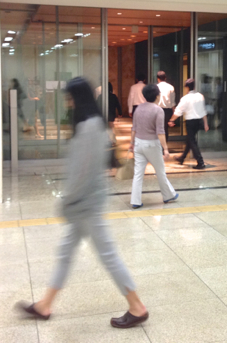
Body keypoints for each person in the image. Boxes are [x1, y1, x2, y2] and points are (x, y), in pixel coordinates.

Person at [17, 77, 148, 329]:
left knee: (107, 255)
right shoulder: (93, 123)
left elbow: (83, 172)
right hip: (85, 203)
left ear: (78, 98)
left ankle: (137, 307)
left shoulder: (89, 127)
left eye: (70, 97)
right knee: (66, 252)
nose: (67, 102)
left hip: (86, 203)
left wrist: (68, 200)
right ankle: (44, 305)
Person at [129, 84, 178, 209]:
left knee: (138, 174)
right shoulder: (158, 110)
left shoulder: (138, 108)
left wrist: (131, 143)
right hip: (152, 145)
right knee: (160, 171)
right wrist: (165, 148)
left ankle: (135, 200)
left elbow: (134, 128)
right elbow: (160, 132)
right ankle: (168, 195)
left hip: (138, 143)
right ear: (157, 96)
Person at [168, 78, 209, 170]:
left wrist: (171, 120)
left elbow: (178, 111)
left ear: (187, 87)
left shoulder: (185, 98)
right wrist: (206, 123)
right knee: (189, 140)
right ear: (194, 87)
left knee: (192, 141)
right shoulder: (200, 96)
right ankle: (182, 158)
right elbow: (203, 111)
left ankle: (200, 162)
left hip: (190, 122)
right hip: (198, 121)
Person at [156, 71, 175, 142]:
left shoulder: (156, 87)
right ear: (165, 78)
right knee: (165, 129)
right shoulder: (171, 87)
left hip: (157, 110)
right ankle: (164, 145)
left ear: (158, 78)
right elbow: (172, 102)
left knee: (158, 128)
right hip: (168, 111)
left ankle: (159, 145)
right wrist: (173, 114)